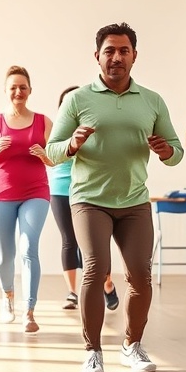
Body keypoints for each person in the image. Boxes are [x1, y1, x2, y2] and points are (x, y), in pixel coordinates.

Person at [45, 22, 183, 372]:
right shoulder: (78, 99)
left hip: (134, 200)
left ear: (134, 56)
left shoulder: (152, 100)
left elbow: (177, 151)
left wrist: (167, 150)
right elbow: (52, 150)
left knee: (140, 274)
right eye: (109, 51)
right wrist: (72, 144)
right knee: (95, 267)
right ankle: (92, 352)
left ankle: (131, 344)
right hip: (89, 199)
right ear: (97, 56)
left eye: (123, 51)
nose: (116, 57)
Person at [0, 66, 51, 333]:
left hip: (36, 192)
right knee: (5, 254)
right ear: (6, 91)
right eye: (13, 87)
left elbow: (56, 159)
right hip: (0, 195)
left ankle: (29, 311)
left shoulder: (44, 122)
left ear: (30, 90)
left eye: (23, 87)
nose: (18, 91)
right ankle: (7, 296)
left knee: (29, 248)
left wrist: (45, 155)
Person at [50, 87, 119, 312]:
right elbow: (50, 154)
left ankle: (106, 283)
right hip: (61, 188)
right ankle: (72, 292)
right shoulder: (57, 130)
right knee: (69, 240)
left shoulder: (92, 124)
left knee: (94, 243)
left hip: (90, 189)